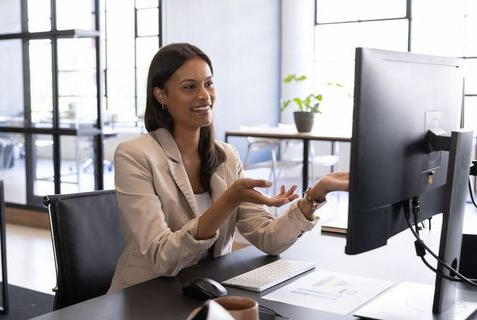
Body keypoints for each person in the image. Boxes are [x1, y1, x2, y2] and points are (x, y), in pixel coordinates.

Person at [108, 43, 349, 292]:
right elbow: (163, 258)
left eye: (209, 84)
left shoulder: (227, 156)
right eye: (190, 87)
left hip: (206, 291)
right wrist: (228, 201)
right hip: (146, 295)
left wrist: (316, 194)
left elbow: (269, 239)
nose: (204, 95)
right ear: (161, 96)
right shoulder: (135, 155)